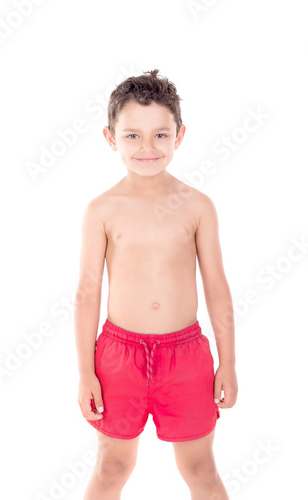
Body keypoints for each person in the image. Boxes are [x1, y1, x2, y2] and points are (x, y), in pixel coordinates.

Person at [74, 69, 238, 500]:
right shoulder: (101, 210)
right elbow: (88, 293)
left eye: (160, 135)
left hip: (185, 357)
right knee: (112, 466)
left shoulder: (197, 206)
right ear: (110, 137)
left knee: (201, 469)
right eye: (132, 136)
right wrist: (86, 372)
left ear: (179, 135)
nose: (147, 148)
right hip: (117, 357)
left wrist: (228, 361)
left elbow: (217, 287)